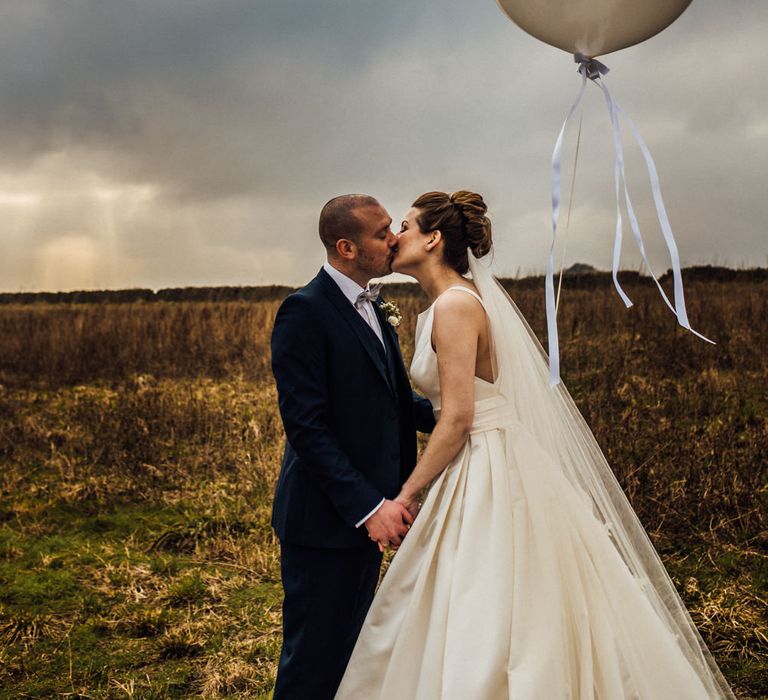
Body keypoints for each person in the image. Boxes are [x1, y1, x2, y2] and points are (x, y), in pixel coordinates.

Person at [335, 191, 734, 699]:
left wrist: (407, 495)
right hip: (483, 459)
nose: (395, 237)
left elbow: (458, 419)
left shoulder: (456, 306)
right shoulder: (444, 304)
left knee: (494, 598)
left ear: (433, 239)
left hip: (485, 463)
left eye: (406, 226)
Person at [270, 194, 436, 699]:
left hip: (370, 516)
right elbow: (307, 427)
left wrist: (464, 417)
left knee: (351, 656)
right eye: (382, 232)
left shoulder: (372, 304)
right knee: (314, 663)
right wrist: (369, 509)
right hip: (325, 522)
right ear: (346, 247)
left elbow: (393, 400)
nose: (394, 239)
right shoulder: (305, 312)